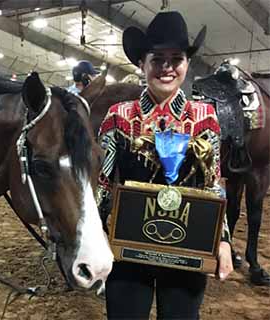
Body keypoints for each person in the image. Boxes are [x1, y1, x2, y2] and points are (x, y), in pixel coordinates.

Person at [96, 11, 233, 319]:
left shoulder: (205, 118)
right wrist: (100, 233)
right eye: (158, 59)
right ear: (142, 63)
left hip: (188, 248)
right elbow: (103, 184)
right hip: (128, 247)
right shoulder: (118, 116)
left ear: (187, 63)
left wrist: (222, 241)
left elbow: (213, 184)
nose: (167, 68)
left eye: (177, 58)